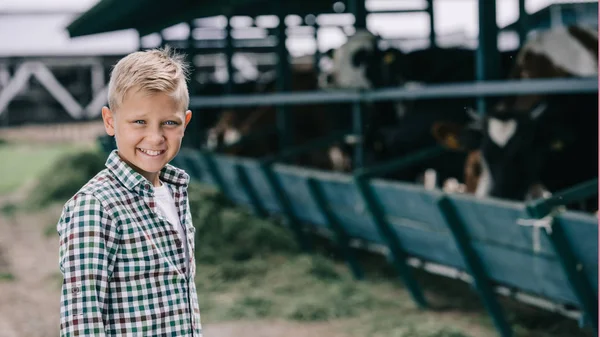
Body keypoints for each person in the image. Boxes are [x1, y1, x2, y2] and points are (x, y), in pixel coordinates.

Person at [57, 46, 202, 336]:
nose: (155, 137)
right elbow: (82, 318)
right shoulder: (95, 206)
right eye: (139, 122)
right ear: (110, 121)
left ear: (185, 123)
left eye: (169, 123)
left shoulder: (175, 192)